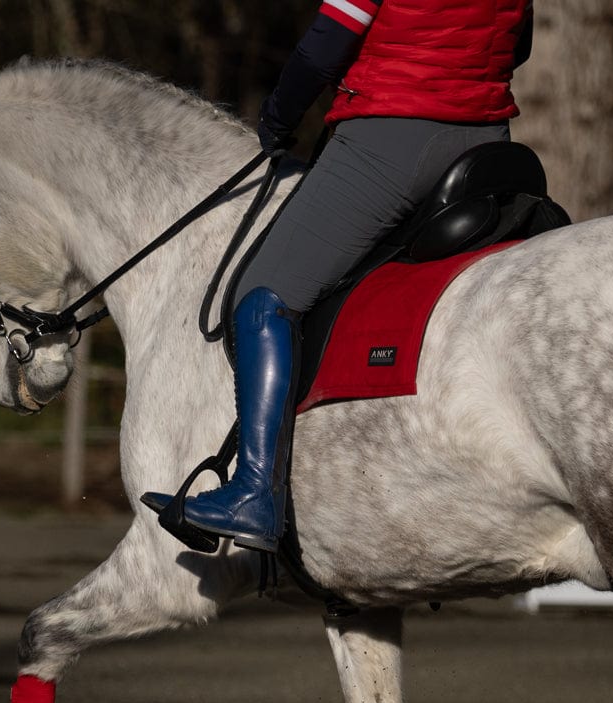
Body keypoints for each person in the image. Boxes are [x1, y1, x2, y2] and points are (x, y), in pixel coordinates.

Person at [146, 0, 533, 554]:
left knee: (264, 299)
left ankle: (255, 492)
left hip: (391, 140)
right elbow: (520, 44)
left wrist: (278, 118)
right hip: (488, 140)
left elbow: (324, 45)